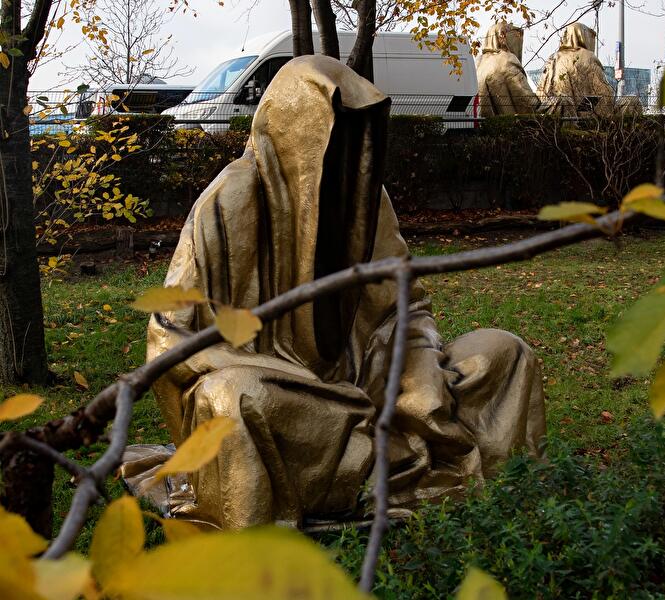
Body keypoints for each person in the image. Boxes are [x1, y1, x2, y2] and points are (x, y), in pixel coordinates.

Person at [128, 55, 547, 530]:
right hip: (282, 393)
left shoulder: (365, 197)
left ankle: (506, 491)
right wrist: (281, 374)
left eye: (354, 138)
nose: (342, 155)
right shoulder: (232, 197)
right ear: (292, 130)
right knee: (232, 398)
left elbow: (408, 305)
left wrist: (419, 363)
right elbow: (169, 338)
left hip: (371, 379)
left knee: (506, 354)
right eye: (329, 137)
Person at [537, 22, 615, 118]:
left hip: (555, 114)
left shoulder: (553, 58)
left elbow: (541, 92)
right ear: (583, 36)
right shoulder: (588, 57)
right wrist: (584, 113)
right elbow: (604, 92)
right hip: (583, 119)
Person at [477, 21, 541, 117]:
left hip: (482, 122)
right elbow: (527, 100)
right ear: (503, 37)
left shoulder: (479, 61)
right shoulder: (507, 59)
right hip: (510, 125)